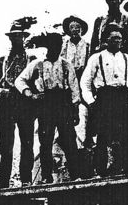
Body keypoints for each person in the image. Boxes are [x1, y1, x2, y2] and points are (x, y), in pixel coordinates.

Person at [81, 22, 128, 176]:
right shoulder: (96, 58)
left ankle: (124, 168)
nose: (117, 41)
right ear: (106, 40)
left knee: (125, 134)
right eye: (113, 38)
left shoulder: (127, 58)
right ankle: (101, 170)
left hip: (123, 98)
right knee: (103, 136)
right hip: (105, 98)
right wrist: (91, 102)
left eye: (119, 39)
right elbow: (85, 82)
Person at [15, 34, 82, 183]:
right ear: (47, 48)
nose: (55, 50)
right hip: (45, 104)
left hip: (63, 103)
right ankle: (46, 176)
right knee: (45, 141)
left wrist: (75, 109)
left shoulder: (66, 65)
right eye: (52, 46)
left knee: (69, 139)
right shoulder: (37, 64)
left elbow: (74, 88)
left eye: (58, 46)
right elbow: (19, 80)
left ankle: (76, 175)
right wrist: (30, 94)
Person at [0, 20, 36, 189]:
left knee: (27, 142)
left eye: (20, 36)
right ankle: (4, 182)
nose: (17, 39)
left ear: (24, 38)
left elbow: (37, 82)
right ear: (10, 39)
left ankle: (26, 180)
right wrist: (4, 91)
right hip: (7, 104)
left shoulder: (32, 59)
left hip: (25, 104)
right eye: (13, 36)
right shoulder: (1, 61)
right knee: (6, 145)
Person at [60, 15, 90, 146]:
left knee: (86, 108)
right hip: (69, 80)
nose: (75, 30)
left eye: (78, 27)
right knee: (68, 108)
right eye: (72, 27)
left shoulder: (87, 45)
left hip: (83, 77)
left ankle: (87, 139)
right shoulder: (64, 46)